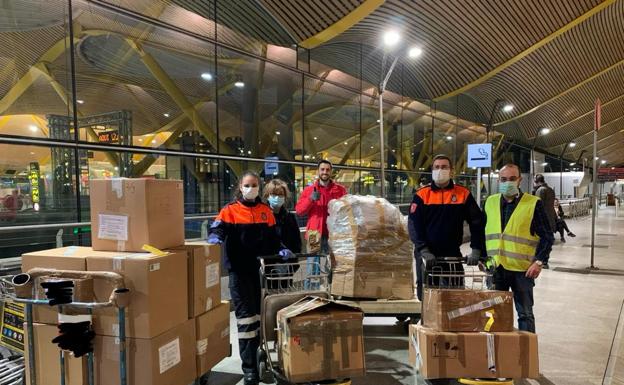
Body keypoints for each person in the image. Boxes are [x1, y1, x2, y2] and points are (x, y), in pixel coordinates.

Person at [207, 171, 294, 385]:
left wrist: (283, 250)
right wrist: (216, 236)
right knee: (246, 321)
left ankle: (257, 359)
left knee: (258, 319)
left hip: (258, 272)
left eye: (254, 185)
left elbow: (274, 240)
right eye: (247, 185)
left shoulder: (266, 212)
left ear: (258, 187)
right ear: (240, 186)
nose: (250, 188)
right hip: (239, 272)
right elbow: (218, 227)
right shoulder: (230, 211)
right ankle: (249, 370)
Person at [483, 163, 554, 333]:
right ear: (499, 180)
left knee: (525, 314)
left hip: (523, 270)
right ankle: (495, 348)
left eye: (512, 179)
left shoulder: (532, 203)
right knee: (493, 313)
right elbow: (482, 233)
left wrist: (539, 262)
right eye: (504, 179)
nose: (508, 182)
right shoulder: (490, 202)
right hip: (495, 268)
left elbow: (547, 236)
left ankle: (526, 353)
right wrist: (482, 259)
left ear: (520, 180)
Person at [408, 154, 485, 300]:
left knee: (455, 293)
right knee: (427, 296)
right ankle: (428, 320)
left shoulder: (463, 194)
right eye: (437, 167)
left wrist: (476, 249)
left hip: (452, 254)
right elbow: (413, 225)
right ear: (432, 170)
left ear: (451, 171)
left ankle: (452, 321)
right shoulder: (422, 195)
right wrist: (423, 249)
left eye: (444, 167)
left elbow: (477, 222)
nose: (440, 170)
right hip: (427, 255)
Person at [295, 160, 347, 287]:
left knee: (334, 265)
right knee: (313, 266)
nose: (325, 172)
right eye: (322, 169)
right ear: (318, 171)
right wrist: (310, 199)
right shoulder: (309, 190)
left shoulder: (340, 190)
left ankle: (333, 291)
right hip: (314, 234)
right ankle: (311, 294)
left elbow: (347, 210)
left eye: (327, 170)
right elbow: (299, 211)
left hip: (334, 235)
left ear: (331, 172)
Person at [263, 179, 302, 289]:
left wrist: (292, 260)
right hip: (268, 266)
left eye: (280, 194)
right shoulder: (262, 216)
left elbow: (297, 241)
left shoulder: (290, 217)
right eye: (274, 194)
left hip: (287, 266)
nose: (277, 197)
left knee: (285, 296)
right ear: (267, 195)